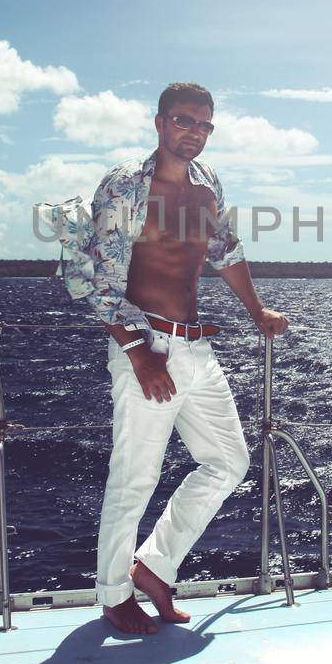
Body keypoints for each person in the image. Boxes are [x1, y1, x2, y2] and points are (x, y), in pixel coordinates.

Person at [64, 82, 289, 634]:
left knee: (229, 462)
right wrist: (139, 352)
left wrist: (258, 312)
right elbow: (91, 279)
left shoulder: (207, 183)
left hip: (195, 345)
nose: (195, 132)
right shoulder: (124, 185)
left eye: (205, 124)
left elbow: (224, 251)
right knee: (134, 479)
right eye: (185, 121)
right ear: (160, 123)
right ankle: (114, 595)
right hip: (145, 345)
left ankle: (155, 567)